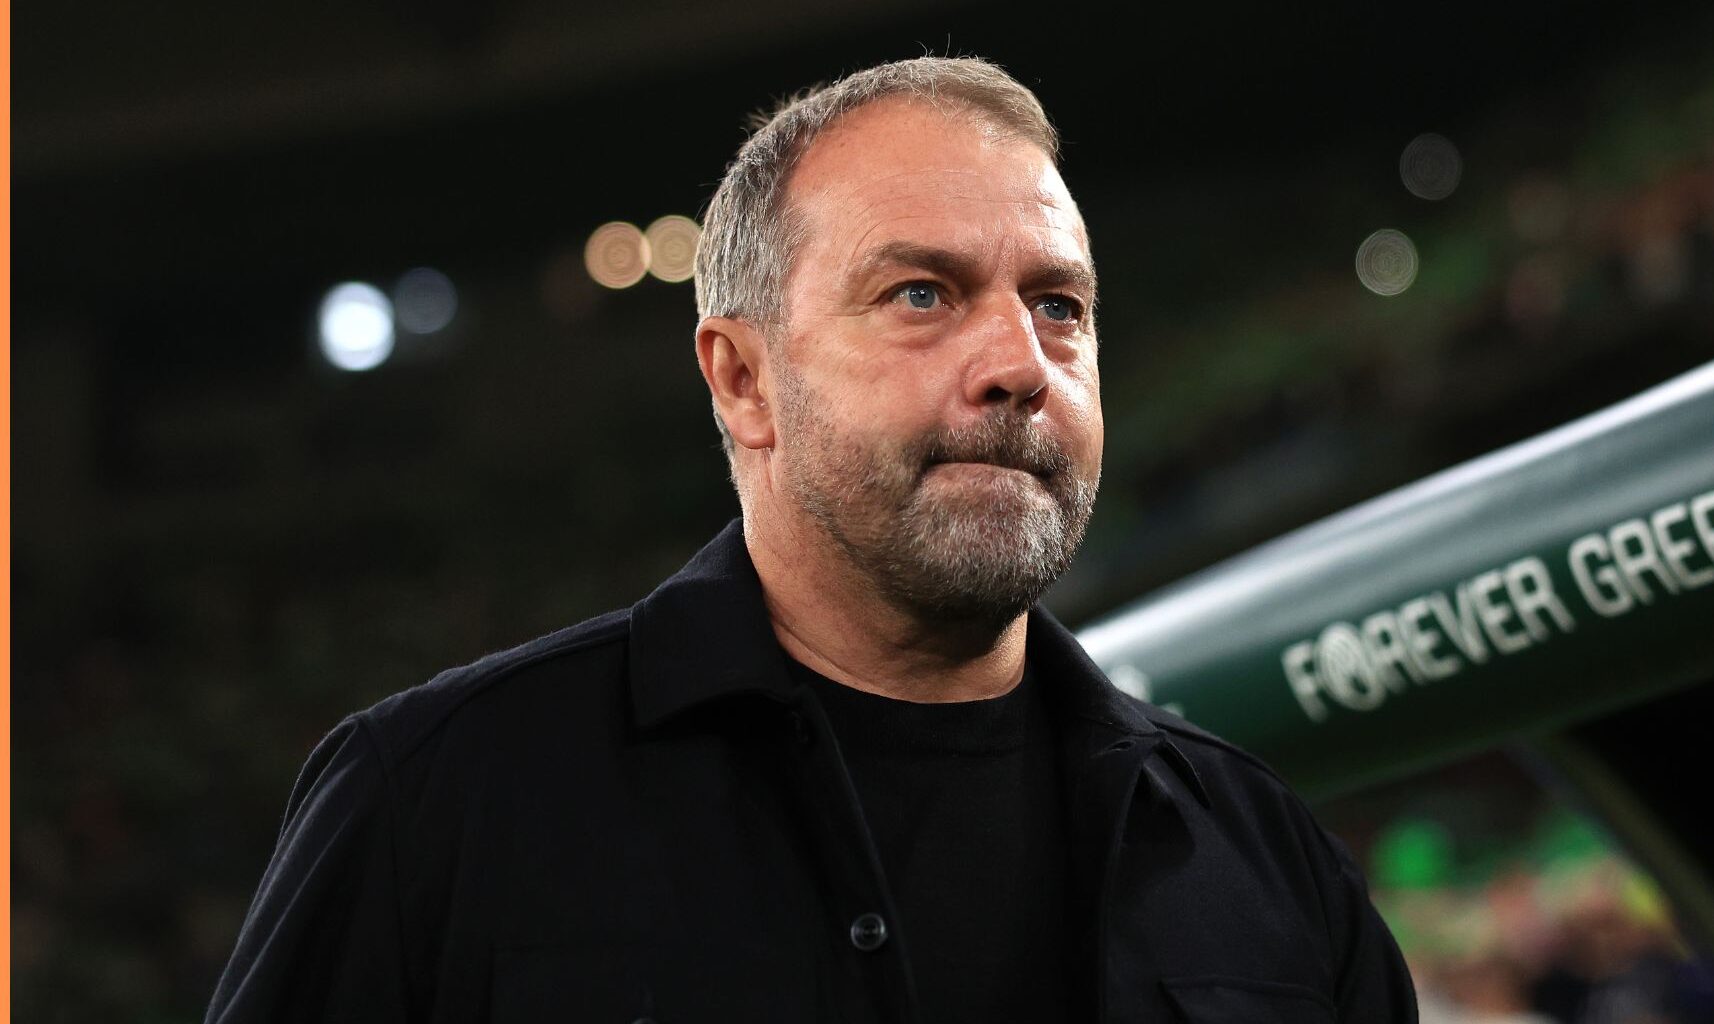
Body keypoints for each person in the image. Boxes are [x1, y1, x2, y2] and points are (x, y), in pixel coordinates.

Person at [207, 56, 1419, 1023]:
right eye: (921, 295)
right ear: (742, 380)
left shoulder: (1263, 855)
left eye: (1060, 306)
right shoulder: (436, 809)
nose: (1020, 366)